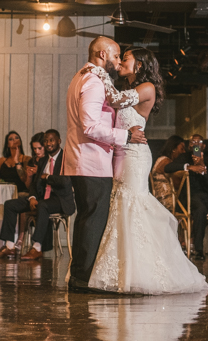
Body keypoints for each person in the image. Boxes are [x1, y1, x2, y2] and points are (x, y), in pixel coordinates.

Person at [86, 47, 208, 294]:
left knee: (132, 206)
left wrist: (99, 72)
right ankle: (120, 269)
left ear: (139, 65)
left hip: (135, 157)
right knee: (119, 207)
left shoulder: (147, 87)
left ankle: (142, 271)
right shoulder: (130, 88)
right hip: (120, 153)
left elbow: (116, 100)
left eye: (125, 58)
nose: (120, 62)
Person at [62, 36, 147, 293]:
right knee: (93, 220)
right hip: (90, 160)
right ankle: (83, 278)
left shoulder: (83, 76)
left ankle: (80, 275)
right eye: (116, 55)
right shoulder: (93, 81)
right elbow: (90, 126)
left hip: (83, 159)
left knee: (88, 218)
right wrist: (125, 136)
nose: (118, 61)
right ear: (102, 55)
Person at [0, 129, 75, 260]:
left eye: (51, 140)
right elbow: (34, 184)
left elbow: (67, 181)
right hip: (42, 198)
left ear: (59, 141)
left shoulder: (67, 158)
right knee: (10, 204)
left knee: (43, 205)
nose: (48, 143)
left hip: (60, 199)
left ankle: (37, 248)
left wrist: (47, 177)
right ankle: (9, 246)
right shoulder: (43, 160)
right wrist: (32, 197)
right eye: (46, 141)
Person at [164, 133, 208, 262]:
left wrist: (202, 169)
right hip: (189, 196)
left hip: (207, 196)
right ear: (189, 145)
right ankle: (199, 249)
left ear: (204, 146)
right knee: (200, 210)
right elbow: (168, 168)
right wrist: (189, 166)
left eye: (199, 143)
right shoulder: (183, 157)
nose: (195, 145)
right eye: (192, 142)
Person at [152, 135, 186, 211]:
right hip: (166, 199)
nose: (184, 151)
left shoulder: (160, 159)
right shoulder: (166, 162)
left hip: (158, 198)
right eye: (182, 148)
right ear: (173, 149)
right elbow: (177, 184)